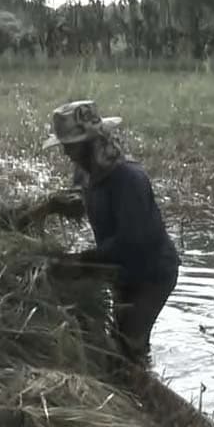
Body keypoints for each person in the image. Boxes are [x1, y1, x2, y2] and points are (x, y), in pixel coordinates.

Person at [39, 100, 180, 367]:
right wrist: (49, 207)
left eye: (70, 146)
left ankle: (137, 383)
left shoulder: (128, 179)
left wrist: (80, 263)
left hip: (152, 274)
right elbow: (78, 200)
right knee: (119, 338)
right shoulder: (86, 172)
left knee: (127, 347)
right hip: (121, 271)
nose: (65, 153)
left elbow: (132, 242)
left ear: (89, 144)